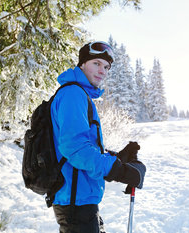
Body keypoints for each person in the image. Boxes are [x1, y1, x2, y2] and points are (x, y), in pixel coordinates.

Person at [50, 41, 146, 233]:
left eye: (106, 67)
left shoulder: (78, 94)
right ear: (82, 63)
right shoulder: (73, 94)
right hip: (75, 202)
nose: (102, 70)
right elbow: (75, 149)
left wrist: (117, 158)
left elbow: (84, 145)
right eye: (96, 63)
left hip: (80, 198)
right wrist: (119, 171)